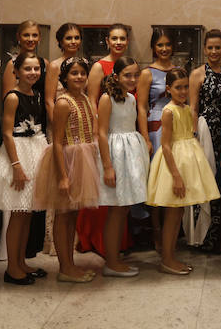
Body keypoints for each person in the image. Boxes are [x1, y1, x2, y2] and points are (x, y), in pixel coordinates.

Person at [0, 52, 48, 285]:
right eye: (27, 69)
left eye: (36, 68)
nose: (33, 73)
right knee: (18, 214)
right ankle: (12, 268)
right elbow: (7, 134)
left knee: (27, 213)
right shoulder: (13, 97)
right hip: (19, 153)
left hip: (36, 148)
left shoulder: (37, 94)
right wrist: (17, 166)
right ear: (16, 72)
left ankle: (21, 261)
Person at [147, 69, 221, 274]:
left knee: (178, 212)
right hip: (174, 165)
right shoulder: (169, 111)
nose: (182, 91)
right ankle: (167, 259)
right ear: (168, 89)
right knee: (172, 213)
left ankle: (171, 256)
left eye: (186, 87)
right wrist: (177, 176)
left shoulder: (187, 109)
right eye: (178, 87)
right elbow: (167, 145)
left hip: (188, 159)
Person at [34, 57, 100, 283]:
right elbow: (58, 141)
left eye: (83, 72)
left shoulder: (82, 98)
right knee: (63, 215)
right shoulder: (63, 102)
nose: (79, 77)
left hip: (82, 160)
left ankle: (70, 264)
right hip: (66, 161)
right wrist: (62, 176)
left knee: (73, 215)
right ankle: (64, 267)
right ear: (64, 77)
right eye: (74, 73)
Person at [77, 23, 134, 257]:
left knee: (122, 195)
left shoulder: (129, 68)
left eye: (122, 38)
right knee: (106, 193)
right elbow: (92, 100)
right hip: (106, 132)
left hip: (126, 129)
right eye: (114, 38)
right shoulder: (100, 67)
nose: (119, 42)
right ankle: (97, 240)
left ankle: (118, 242)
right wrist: (94, 133)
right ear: (107, 41)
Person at [96, 56, 151, 277]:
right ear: (116, 76)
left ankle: (116, 258)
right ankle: (111, 262)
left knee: (123, 209)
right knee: (116, 210)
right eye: (127, 75)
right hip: (116, 154)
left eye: (136, 75)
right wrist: (108, 166)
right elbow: (101, 133)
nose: (132, 79)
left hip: (130, 153)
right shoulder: (106, 99)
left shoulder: (130, 99)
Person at [188, 29, 221, 252]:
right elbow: (193, 107)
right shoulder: (197, 74)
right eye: (210, 48)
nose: (214, 51)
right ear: (204, 49)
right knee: (204, 180)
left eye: (218, 47)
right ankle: (202, 237)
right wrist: (193, 135)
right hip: (205, 131)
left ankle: (219, 236)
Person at [136, 27, 177, 250]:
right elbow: (141, 107)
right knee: (156, 180)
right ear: (153, 47)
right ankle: (156, 232)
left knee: (172, 177)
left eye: (167, 44)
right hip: (154, 126)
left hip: (175, 126)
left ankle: (173, 231)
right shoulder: (147, 73)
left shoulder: (179, 70)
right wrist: (146, 138)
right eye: (159, 45)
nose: (163, 49)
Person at [44, 23, 82, 124]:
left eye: (77, 38)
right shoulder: (54, 66)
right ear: (61, 41)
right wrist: (57, 126)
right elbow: (49, 101)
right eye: (69, 38)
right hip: (59, 121)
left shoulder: (84, 64)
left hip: (79, 120)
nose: (73, 42)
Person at [2, 20, 48, 95]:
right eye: (26, 35)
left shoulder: (45, 63)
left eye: (34, 35)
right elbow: (7, 98)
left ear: (39, 38)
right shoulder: (12, 64)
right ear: (18, 37)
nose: (30, 39)